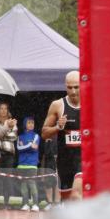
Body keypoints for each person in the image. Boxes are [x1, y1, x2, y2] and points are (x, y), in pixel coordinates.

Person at [42, 71, 82, 200]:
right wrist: (58, 127)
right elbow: (44, 133)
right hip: (65, 159)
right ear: (65, 86)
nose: (73, 91)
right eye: (70, 87)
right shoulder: (58, 105)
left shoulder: (91, 102)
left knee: (76, 194)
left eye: (76, 87)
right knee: (68, 199)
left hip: (84, 158)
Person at [0, 102, 18, 210]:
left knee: (7, 179)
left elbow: (13, 137)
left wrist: (2, 132)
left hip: (8, 154)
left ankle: (8, 202)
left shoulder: (12, 122)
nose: (3, 110)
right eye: (1, 108)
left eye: (5, 108)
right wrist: (5, 132)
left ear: (7, 110)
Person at [17, 116, 40, 211]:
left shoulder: (36, 136)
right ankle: (25, 204)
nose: (31, 124)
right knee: (23, 185)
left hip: (32, 164)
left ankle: (35, 204)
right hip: (21, 164)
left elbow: (35, 147)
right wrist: (30, 145)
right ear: (25, 124)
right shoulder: (20, 137)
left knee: (32, 183)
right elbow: (19, 148)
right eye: (29, 123)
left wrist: (26, 146)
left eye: (32, 123)